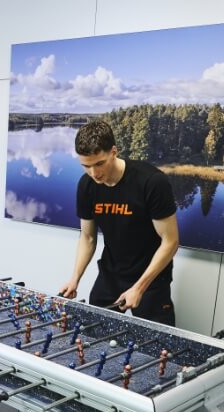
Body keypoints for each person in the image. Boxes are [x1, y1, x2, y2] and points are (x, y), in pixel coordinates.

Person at [59, 120, 180, 326]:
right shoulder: (87, 185)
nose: (94, 173)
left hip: (151, 280)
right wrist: (75, 278)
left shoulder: (151, 182)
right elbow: (87, 237)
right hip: (110, 274)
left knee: (156, 350)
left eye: (99, 163)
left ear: (113, 152)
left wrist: (139, 288)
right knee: (94, 336)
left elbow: (170, 241)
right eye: (86, 166)